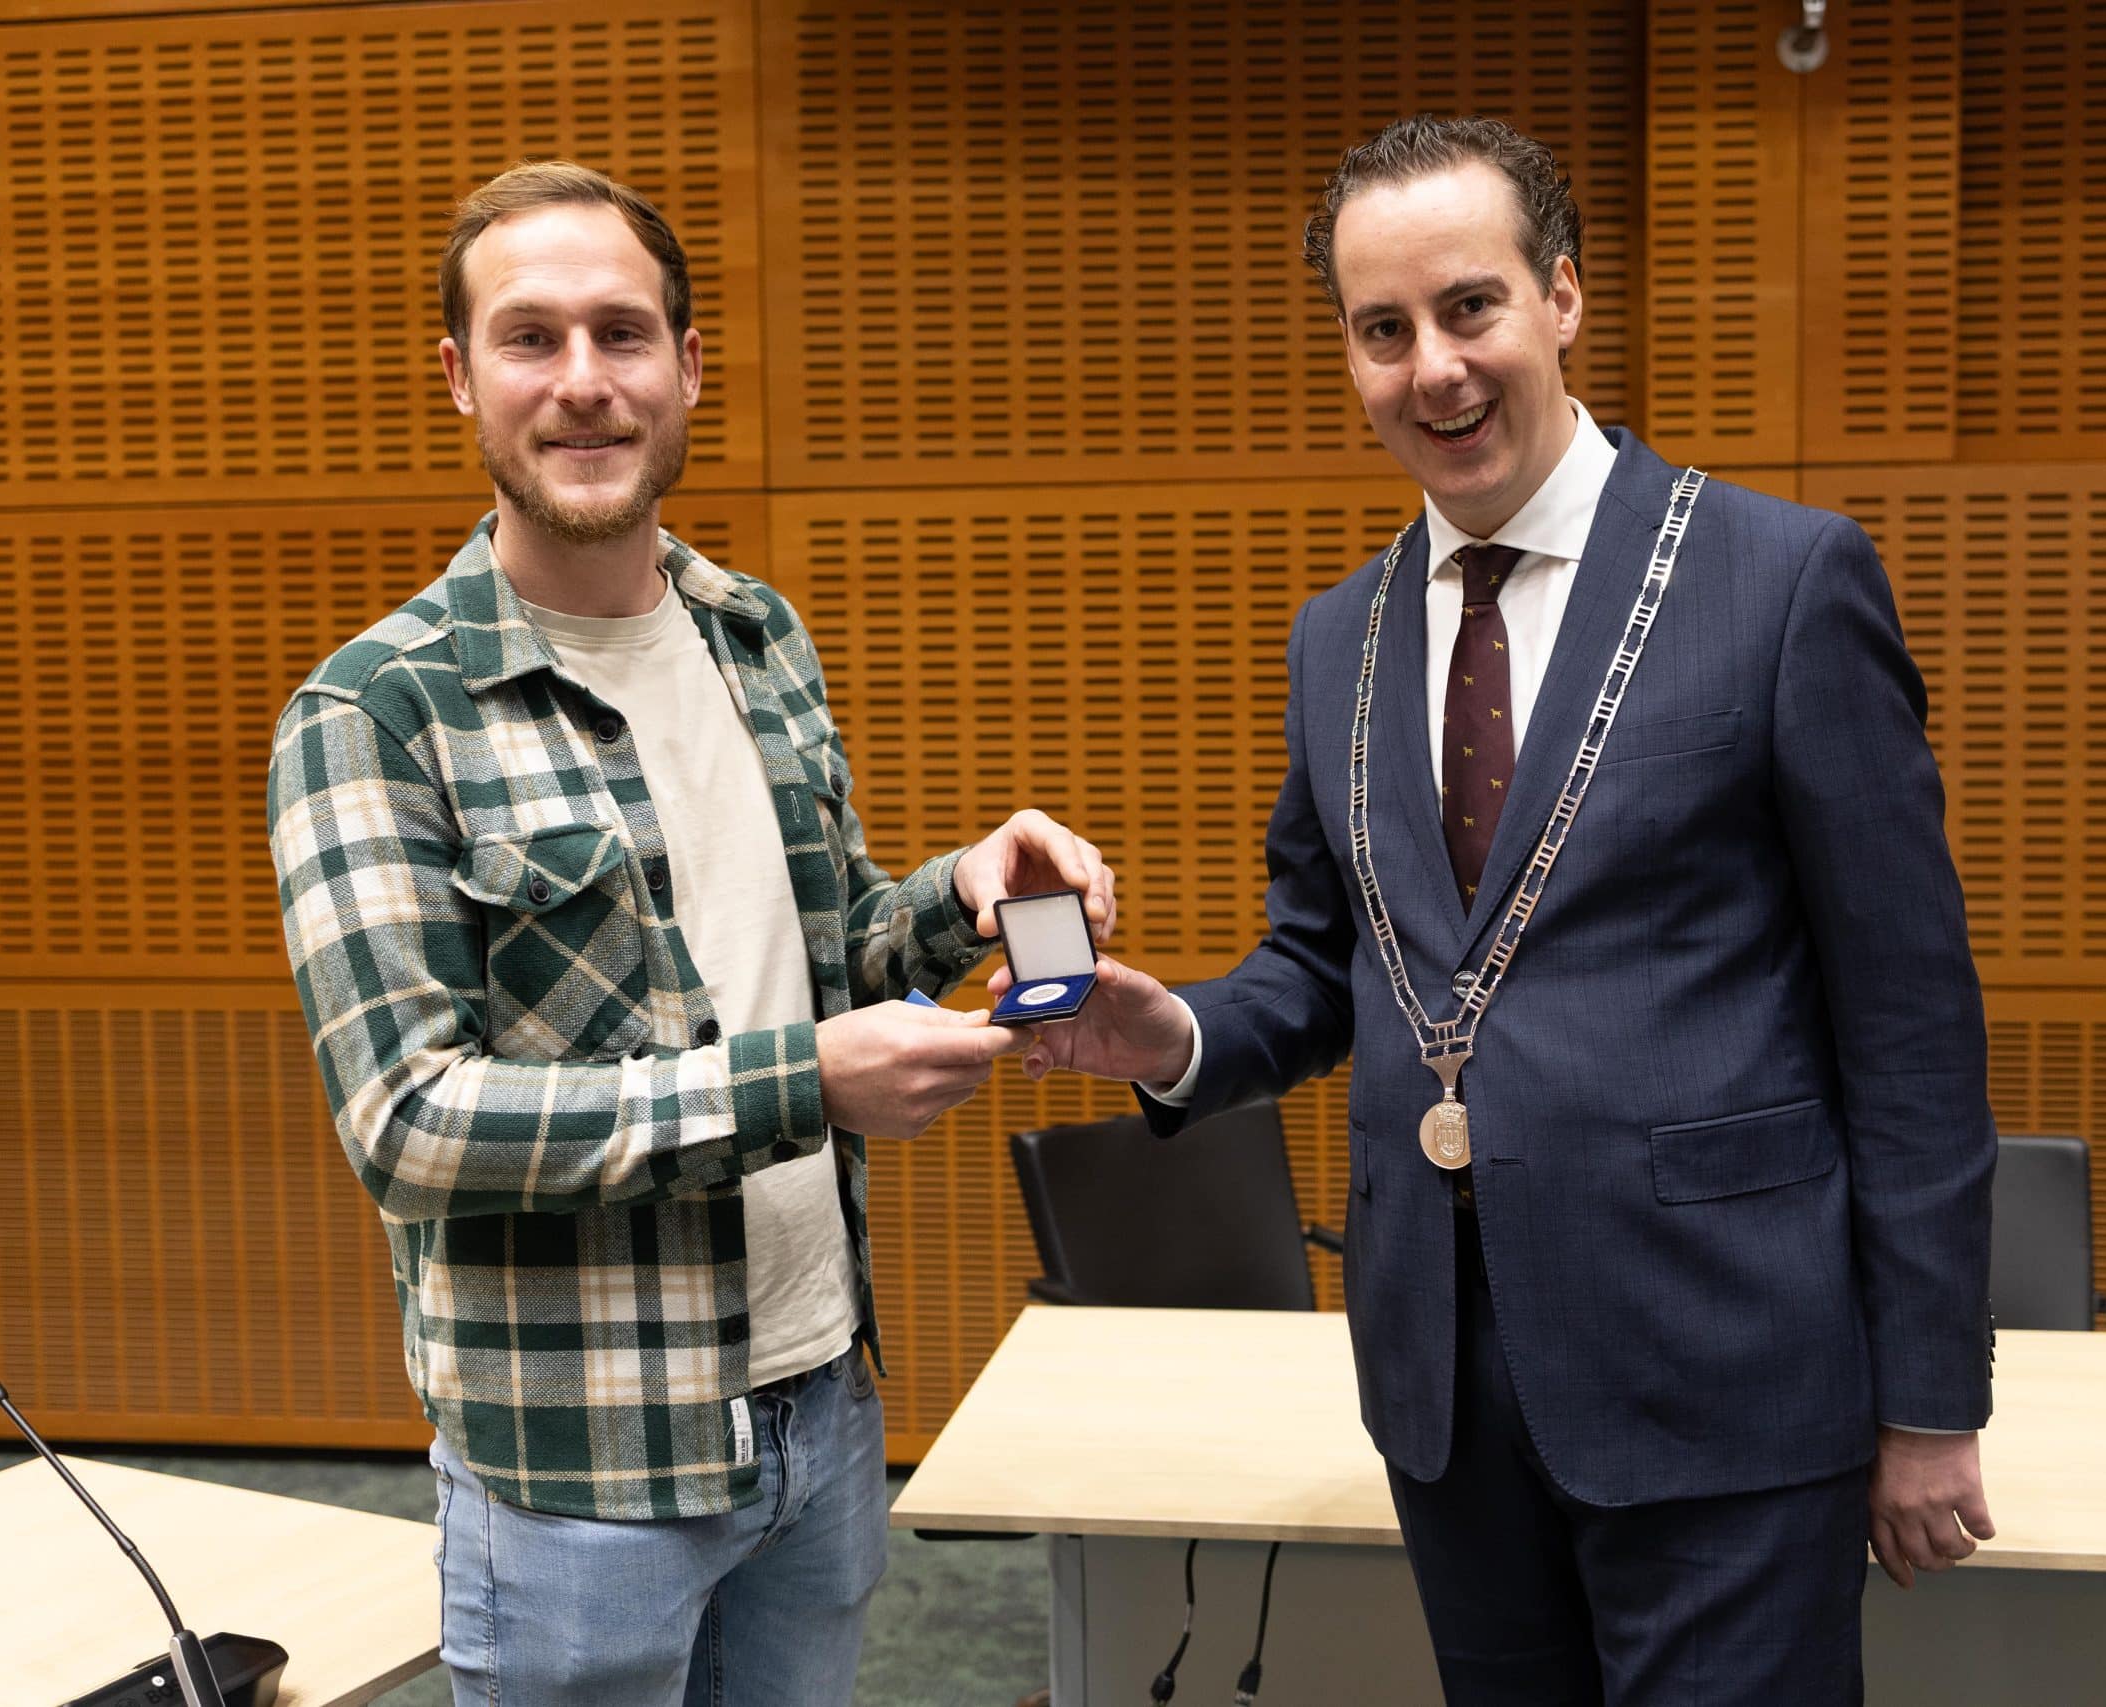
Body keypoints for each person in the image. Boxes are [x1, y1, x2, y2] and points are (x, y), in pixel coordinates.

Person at [1012, 115, 1996, 1704]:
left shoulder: (1781, 580)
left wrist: (1932, 1400)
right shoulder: (1340, 638)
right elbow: (1329, 963)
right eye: (1382, 330)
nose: (1435, 369)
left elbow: (1912, 1027)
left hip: (1728, 1374)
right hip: (1447, 1388)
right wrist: (1175, 1032)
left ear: (1563, 298)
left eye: (1469, 307)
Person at [266, 160, 1113, 1707]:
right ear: (459, 377)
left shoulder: (754, 635)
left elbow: (824, 951)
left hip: (818, 1406)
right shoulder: (376, 713)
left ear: (688, 365)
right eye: (531, 339)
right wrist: (805, 1084)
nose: (583, 382)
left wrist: (960, 895)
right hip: (580, 1475)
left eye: (623, 333)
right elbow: (411, 1124)